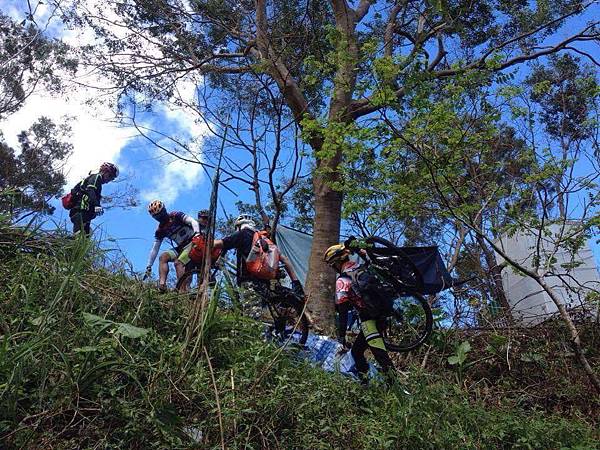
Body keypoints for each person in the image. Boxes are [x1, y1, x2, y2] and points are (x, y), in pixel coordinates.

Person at [324, 243, 395, 384]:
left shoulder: (342, 280)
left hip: (370, 319)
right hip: (382, 311)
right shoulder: (360, 266)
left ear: (337, 262)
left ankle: (392, 386)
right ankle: (366, 382)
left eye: (332, 265)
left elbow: (343, 311)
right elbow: (369, 257)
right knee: (357, 351)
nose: (333, 268)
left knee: (379, 353)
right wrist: (358, 249)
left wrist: (341, 335)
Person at [212, 214, 305, 310]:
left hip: (250, 281)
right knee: (274, 306)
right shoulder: (263, 238)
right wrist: (295, 282)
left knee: (253, 318)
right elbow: (284, 259)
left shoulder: (242, 234)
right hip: (269, 281)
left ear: (239, 225)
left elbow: (216, 244)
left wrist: (206, 241)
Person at [144, 200, 200, 292]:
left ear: (164, 210)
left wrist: (197, 234)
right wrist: (149, 265)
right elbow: (155, 248)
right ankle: (162, 286)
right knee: (163, 257)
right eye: (157, 217)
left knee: (178, 263)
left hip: (193, 242)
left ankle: (182, 290)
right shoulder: (160, 229)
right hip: (181, 247)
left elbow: (192, 221)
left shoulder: (175, 215)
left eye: (161, 214)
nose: (160, 218)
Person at [69, 162, 119, 235]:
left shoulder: (98, 183)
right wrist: (97, 205)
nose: (109, 180)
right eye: (110, 176)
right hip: (80, 209)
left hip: (85, 211)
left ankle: (78, 244)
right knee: (79, 233)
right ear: (105, 171)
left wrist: (95, 208)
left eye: (112, 179)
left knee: (86, 234)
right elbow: (90, 190)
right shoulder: (96, 177)